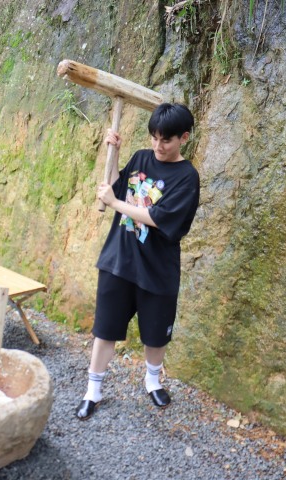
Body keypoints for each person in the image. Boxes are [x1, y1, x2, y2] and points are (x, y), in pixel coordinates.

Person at [76, 103, 200, 420]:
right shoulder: (142, 158)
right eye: (154, 138)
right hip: (118, 260)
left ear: (184, 138)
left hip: (157, 270)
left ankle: (152, 381)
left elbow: (157, 218)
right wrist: (114, 153)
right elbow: (117, 187)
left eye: (166, 140)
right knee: (105, 330)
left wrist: (115, 203)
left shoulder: (187, 178)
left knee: (156, 334)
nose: (158, 146)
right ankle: (92, 390)